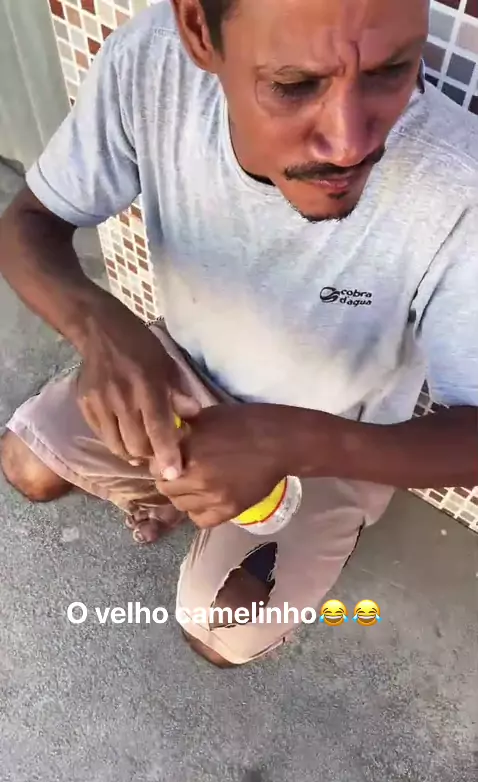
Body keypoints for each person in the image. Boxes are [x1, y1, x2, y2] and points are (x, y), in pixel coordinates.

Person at [0, 0, 477, 667]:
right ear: (200, 32)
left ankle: (311, 519)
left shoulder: (458, 184)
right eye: (294, 84)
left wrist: (289, 443)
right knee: (25, 466)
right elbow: (29, 224)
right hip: (179, 374)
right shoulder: (153, 63)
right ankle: (189, 492)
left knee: (220, 631)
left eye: (392, 71)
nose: (349, 143)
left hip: (331, 443)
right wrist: (97, 325)